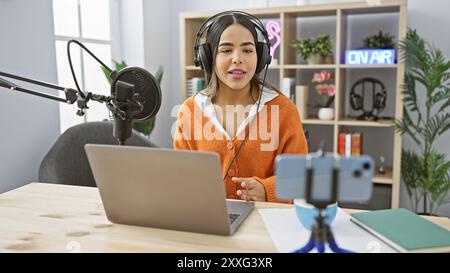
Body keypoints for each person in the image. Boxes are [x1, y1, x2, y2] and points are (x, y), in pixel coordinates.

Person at [173, 11, 307, 203]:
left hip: (265, 226)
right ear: (208, 57)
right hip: (207, 223)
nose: (238, 58)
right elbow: (180, 178)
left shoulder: (284, 110)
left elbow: (299, 179)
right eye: (226, 50)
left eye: (247, 50)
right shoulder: (190, 110)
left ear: (260, 57)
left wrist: (267, 190)